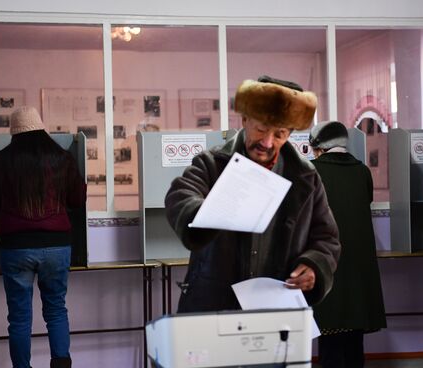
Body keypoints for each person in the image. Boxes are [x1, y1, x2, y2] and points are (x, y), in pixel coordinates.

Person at [165, 75, 341, 312]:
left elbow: (326, 239)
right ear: (245, 119)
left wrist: (313, 266)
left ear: (289, 134)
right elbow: (180, 195)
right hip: (214, 303)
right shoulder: (213, 163)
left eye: (279, 134)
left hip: (276, 308)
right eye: (261, 129)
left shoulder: (306, 178)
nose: (267, 142)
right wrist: (212, 210)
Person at [0, 106, 87, 368]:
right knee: (56, 310)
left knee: (19, 318)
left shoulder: (0, 160)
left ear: (14, 132)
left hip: (16, 248)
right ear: (41, 126)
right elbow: (78, 199)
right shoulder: (62, 158)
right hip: (57, 246)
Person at [309, 121, 386, 368]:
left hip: (327, 261)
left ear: (319, 147)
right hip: (358, 262)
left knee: (329, 330)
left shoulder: (311, 172)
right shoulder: (362, 171)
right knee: (354, 330)